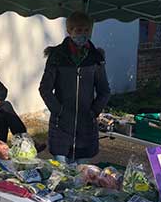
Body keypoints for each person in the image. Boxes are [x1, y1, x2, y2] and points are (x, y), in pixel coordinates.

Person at [39, 11, 111, 163]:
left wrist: (93, 112)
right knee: (60, 174)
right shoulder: (57, 56)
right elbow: (45, 88)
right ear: (69, 31)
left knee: (82, 175)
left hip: (86, 127)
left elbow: (104, 90)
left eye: (86, 30)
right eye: (79, 30)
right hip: (62, 126)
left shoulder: (95, 58)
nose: (83, 34)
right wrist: (59, 111)